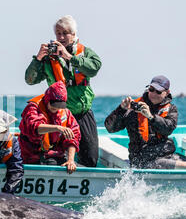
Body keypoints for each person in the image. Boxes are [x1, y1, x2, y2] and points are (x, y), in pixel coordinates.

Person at [25, 15, 101, 167]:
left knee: (91, 158)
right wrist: (38, 58)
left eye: (64, 33)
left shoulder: (84, 52)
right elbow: (30, 80)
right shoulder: (49, 57)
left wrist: (69, 57)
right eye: (58, 33)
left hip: (82, 113)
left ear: (73, 34)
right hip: (59, 114)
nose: (61, 37)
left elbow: (95, 68)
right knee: (59, 157)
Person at [105, 75, 186, 169]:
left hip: (166, 154)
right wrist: (121, 109)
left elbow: (168, 129)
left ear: (167, 92)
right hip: (143, 160)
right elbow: (110, 128)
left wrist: (151, 117)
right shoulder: (133, 108)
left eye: (158, 91)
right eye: (151, 89)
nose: (153, 94)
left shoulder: (171, 109)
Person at [19, 81, 81, 174]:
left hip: (55, 154)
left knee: (76, 167)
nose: (56, 108)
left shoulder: (65, 113)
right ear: (47, 99)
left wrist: (71, 160)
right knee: (51, 163)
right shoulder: (33, 108)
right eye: (53, 104)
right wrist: (57, 128)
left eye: (60, 105)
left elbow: (73, 137)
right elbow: (34, 127)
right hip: (32, 156)